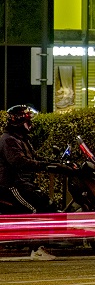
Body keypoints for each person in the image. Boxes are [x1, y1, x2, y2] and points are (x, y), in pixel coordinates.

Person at [0, 106, 58, 260]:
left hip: (24, 183)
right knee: (35, 209)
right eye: (27, 120)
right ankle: (36, 249)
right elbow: (18, 161)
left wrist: (53, 163)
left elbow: (33, 159)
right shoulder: (8, 140)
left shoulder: (21, 139)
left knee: (47, 203)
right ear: (19, 121)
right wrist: (42, 165)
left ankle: (41, 245)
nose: (30, 124)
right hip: (11, 185)